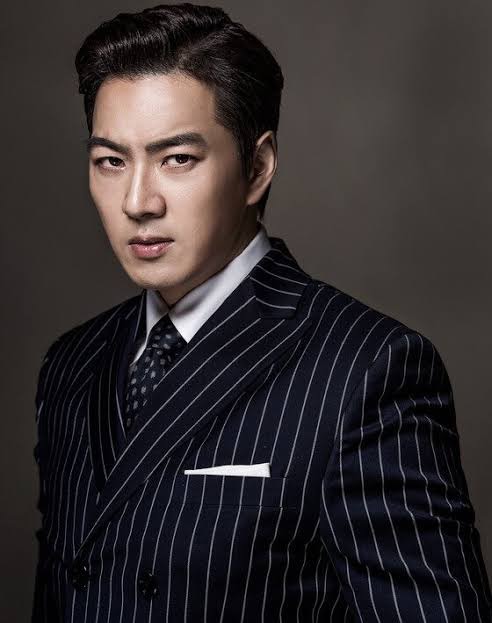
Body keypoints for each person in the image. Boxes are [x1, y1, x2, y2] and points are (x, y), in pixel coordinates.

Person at [31, 3, 492, 622]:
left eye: (177, 159)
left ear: (257, 167)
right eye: (111, 161)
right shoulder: (70, 365)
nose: (137, 202)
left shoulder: (365, 371)